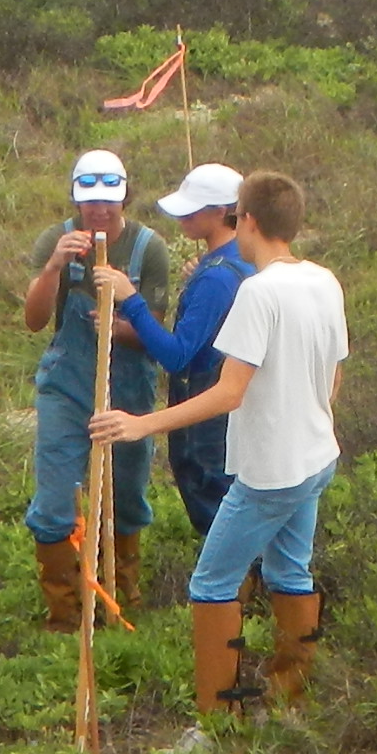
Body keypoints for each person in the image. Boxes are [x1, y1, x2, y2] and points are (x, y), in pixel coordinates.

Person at [91, 170, 342, 718]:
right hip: (317, 457)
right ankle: (289, 700)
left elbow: (229, 392)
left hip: (271, 469)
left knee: (211, 584)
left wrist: (143, 424)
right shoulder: (323, 281)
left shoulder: (258, 292)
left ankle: (215, 720)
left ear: (245, 219)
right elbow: (333, 374)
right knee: (289, 572)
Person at [17, 147, 175, 623]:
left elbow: (154, 335)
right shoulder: (56, 239)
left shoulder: (149, 249)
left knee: (126, 493)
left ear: (125, 197)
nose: (100, 210)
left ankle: (121, 592)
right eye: (90, 201)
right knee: (55, 497)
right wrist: (54, 268)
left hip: (127, 388)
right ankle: (66, 611)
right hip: (66, 385)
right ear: (76, 198)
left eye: (109, 199)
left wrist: (120, 322)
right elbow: (34, 320)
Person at [119, 162, 254, 546]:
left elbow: (176, 355)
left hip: (205, 417)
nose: (183, 218)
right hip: (234, 411)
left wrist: (131, 302)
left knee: (219, 522)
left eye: (192, 212)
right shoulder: (240, 263)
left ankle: (238, 582)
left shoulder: (217, 277)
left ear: (221, 212)